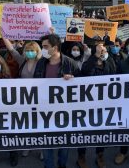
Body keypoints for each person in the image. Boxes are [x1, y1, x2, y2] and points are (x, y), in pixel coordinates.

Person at [33, 34, 80, 168]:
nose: (43, 49)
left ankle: (62, 165)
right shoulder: (41, 62)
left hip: (64, 112)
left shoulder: (70, 63)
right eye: (42, 47)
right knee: (47, 144)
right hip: (45, 111)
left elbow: (83, 87)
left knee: (64, 145)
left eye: (45, 47)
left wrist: (72, 80)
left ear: (55, 47)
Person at [77, 43, 116, 168]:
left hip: (104, 104)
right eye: (100, 50)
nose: (102, 52)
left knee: (102, 131)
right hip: (87, 104)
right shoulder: (88, 63)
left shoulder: (109, 63)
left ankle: (100, 155)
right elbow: (86, 71)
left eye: (104, 50)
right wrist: (95, 56)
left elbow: (116, 76)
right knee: (83, 131)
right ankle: (81, 156)